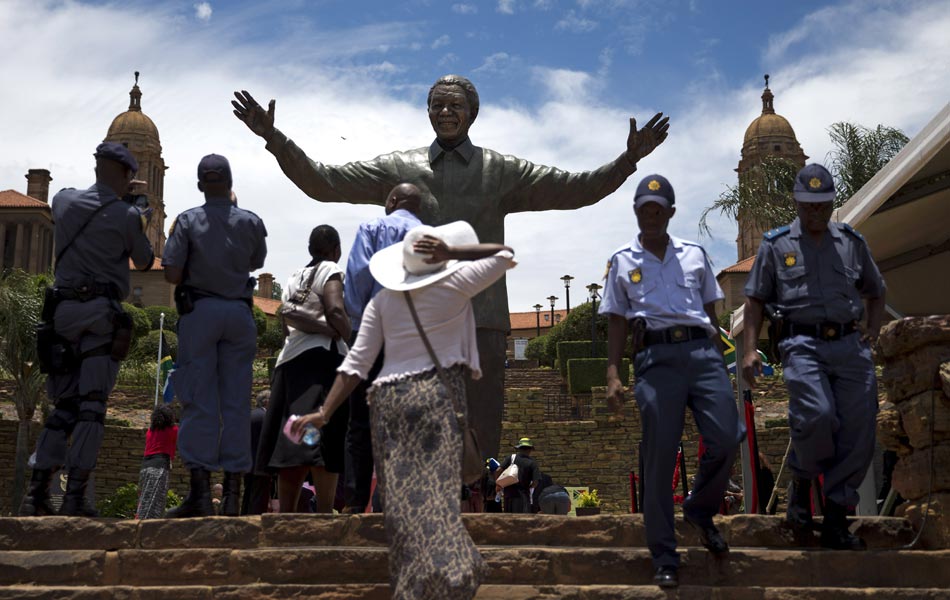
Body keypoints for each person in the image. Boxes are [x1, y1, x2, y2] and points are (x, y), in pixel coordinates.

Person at [232, 75, 669, 463]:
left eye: (455, 105)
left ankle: (477, 514)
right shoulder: (399, 167)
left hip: (482, 319)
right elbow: (322, 182)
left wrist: (627, 160)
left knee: (480, 431)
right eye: (437, 105)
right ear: (427, 112)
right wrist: (274, 138)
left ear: (472, 113)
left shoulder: (501, 170)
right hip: (414, 320)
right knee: (417, 429)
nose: (445, 112)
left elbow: (578, 189)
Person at [292, 220, 516, 600]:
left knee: (403, 504)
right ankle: (446, 576)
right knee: (437, 500)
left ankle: (422, 582)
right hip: (437, 398)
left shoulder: (382, 302)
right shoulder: (454, 285)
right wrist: (454, 254)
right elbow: (505, 255)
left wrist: (324, 412)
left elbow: (356, 365)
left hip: (390, 404)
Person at [601, 174, 744, 589]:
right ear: (636, 211)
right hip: (654, 358)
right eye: (644, 208)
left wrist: (720, 362)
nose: (651, 214)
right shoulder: (622, 261)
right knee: (660, 457)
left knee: (728, 435)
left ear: (670, 212)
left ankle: (699, 509)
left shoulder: (696, 255)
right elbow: (615, 319)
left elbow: (712, 317)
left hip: (702, 354)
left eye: (658, 208)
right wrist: (613, 373)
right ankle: (664, 552)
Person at [741, 163, 885, 550]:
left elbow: (876, 290)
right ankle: (802, 482)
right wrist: (750, 348)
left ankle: (837, 517)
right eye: (808, 206)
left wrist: (871, 331)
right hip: (801, 344)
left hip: (850, 347)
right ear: (797, 201)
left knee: (859, 428)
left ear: (831, 202)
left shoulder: (852, 242)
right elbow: (754, 300)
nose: (815, 213)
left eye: (822, 206)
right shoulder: (776, 245)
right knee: (817, 414)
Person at [20, 142, 154, 517]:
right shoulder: (128, 215)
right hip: (99, 317)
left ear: (96, 166)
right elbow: (143, 261)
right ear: (128, 174)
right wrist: (140, 210)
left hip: (61, 315)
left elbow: (72, 199)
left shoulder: (63, 202)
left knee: (63, 407)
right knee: (91, 407)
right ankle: (75, 496)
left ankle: (36, 494)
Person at [162, 154, 267, 518]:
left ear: (199, 184)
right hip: (239, 313)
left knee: (198, 400)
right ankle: (234, 498)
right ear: (230, 181)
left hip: (201, 313)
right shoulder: (251, 222)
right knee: (237, 402)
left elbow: (172, 274)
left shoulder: (188, 221)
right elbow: (257, 261)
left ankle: (201, 495)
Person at [342, 183, 425, 513]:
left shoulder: (372, 227)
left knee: (360, 421)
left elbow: (358, 277)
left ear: (392, 201)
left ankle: (355, 500)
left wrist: (357, 324)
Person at [256, 224, 351, 514]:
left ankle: (287, 514)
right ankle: (323, 514)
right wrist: (354, 340)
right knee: (324, 437)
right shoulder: (331, 270)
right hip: (322, 362)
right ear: (336, 250)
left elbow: (286, 323)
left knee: (293, 437)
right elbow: (335, 309)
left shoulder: (293, 279)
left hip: (289, 363)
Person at [136, 405, 178, 519]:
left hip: (145, 466)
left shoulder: (150, 431)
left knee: (144, 499)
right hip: (159, 467)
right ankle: (148, 526)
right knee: (155, 501)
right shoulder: (173, 430)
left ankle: (140, 521)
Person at [242, 389, 272, 515]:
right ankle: (255, 523)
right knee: (259, 498)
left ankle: (243, 520)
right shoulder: (266, 417)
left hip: (247, 463)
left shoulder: (248, 416)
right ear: (267, 402)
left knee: (248, 495)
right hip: (261, 464)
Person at [497, 437, 539, 514]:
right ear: (530, 450)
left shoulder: (511, 458)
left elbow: (498, 471)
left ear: (519, 449)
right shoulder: (532, 463)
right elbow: (535, 482)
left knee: (507, 519)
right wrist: (529, 487)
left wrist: (498, 484)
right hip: (522, 496)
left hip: (508, 494)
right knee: (521, 519)